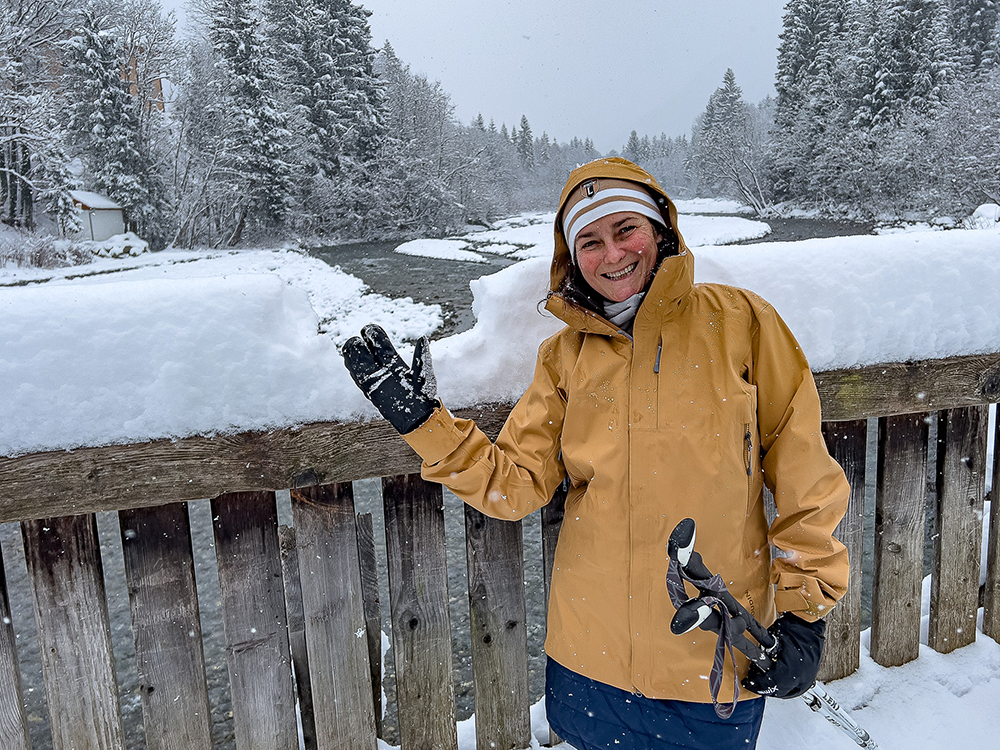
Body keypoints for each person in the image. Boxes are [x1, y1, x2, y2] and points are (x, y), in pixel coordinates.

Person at [343, 157, 849, 750]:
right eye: (590, 241)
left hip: (709, 655)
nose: (611, 255)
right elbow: (515, 486)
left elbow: (806, 481)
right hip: (587, 650)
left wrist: (804, 614)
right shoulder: (564, 357)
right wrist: (423, 424)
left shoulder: (742, 324)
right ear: (571, 256)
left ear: (660, 229)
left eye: (625, 230)